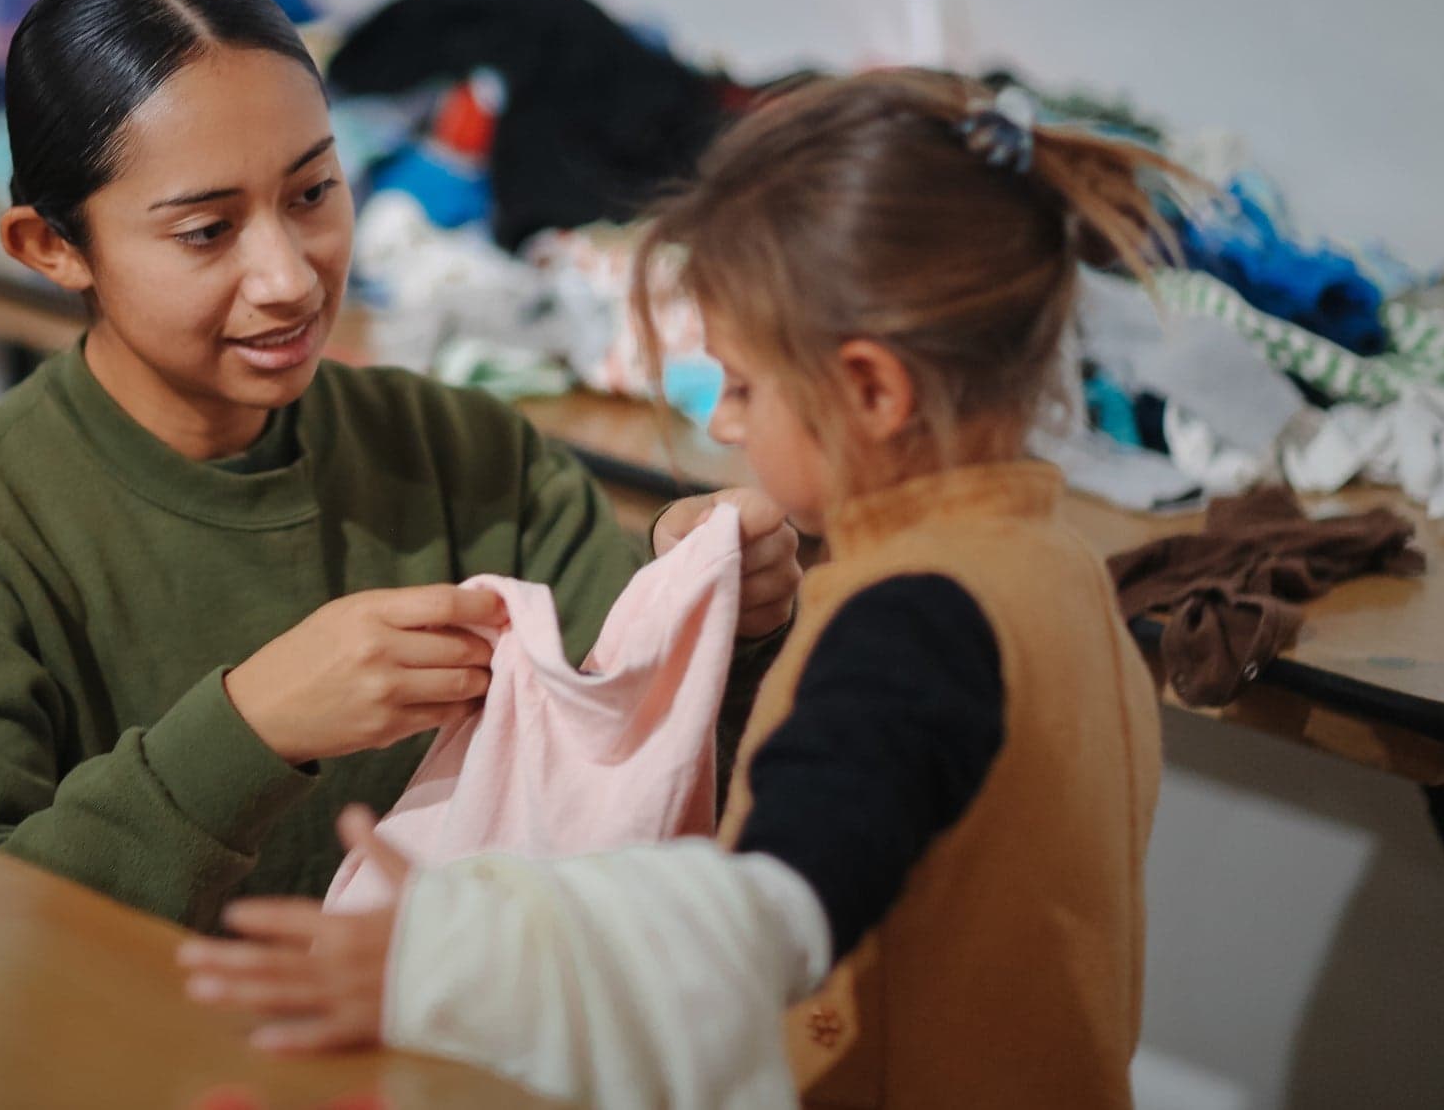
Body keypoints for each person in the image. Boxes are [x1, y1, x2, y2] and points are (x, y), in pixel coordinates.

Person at [180, 69, 1174, 1110]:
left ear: (873, 390)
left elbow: (763, 921)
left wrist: (443, 960)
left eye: (740, 386)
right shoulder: (1057, 567)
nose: (726, 429)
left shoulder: (910, 624)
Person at [0, 0, 801, 931]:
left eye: (311, 194)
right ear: (53, 248)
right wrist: (249, 730)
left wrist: (716, 621)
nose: (288, 276)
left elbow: (638, 793)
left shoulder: (466, 459)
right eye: (205, 230)